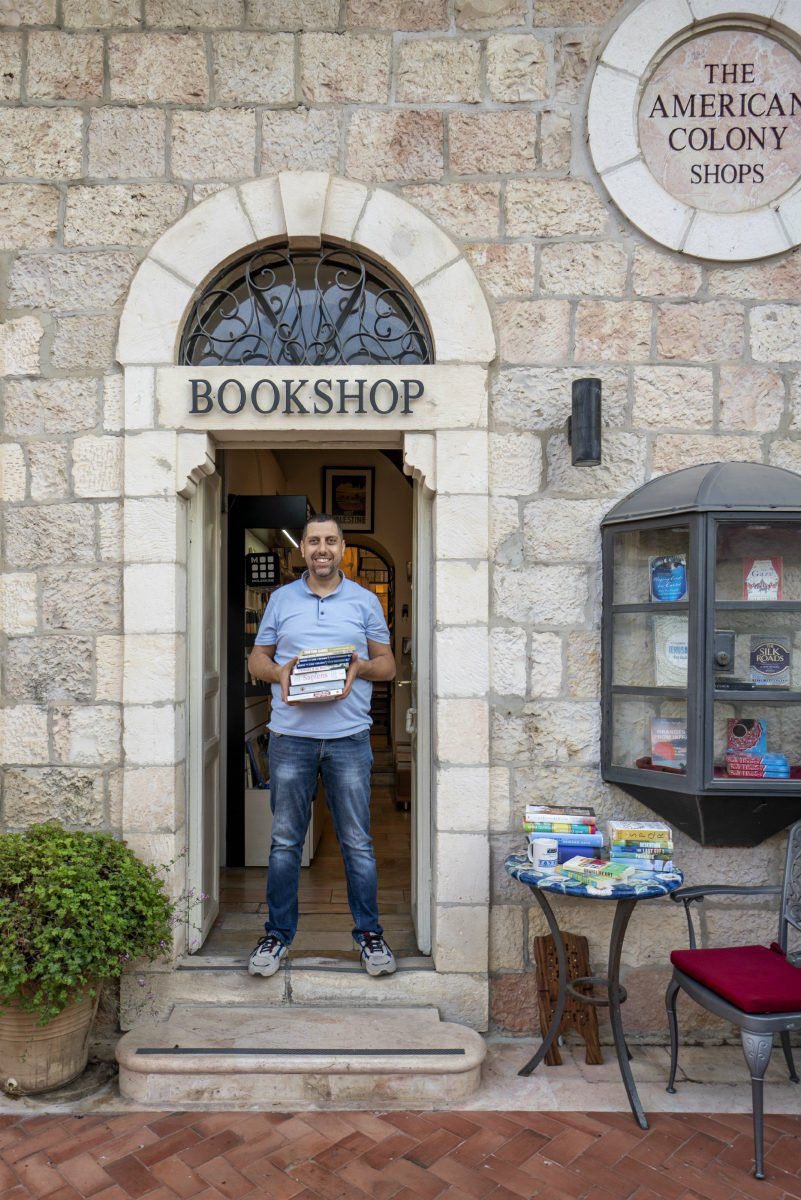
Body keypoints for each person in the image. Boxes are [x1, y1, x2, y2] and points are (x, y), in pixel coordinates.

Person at [246, 513, 397, 978]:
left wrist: (358, 667)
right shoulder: (280, 600)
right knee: (285, 843)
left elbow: (387, 665)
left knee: (358, 843)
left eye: (330, 540)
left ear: (342, 546)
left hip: (349, 739)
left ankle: (370, 936)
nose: (321, 549)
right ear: (303, 549)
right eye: (313, 541)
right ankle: (276, 936)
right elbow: (257, 659)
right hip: (291, 738)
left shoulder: (365, 601)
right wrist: (280, 673)